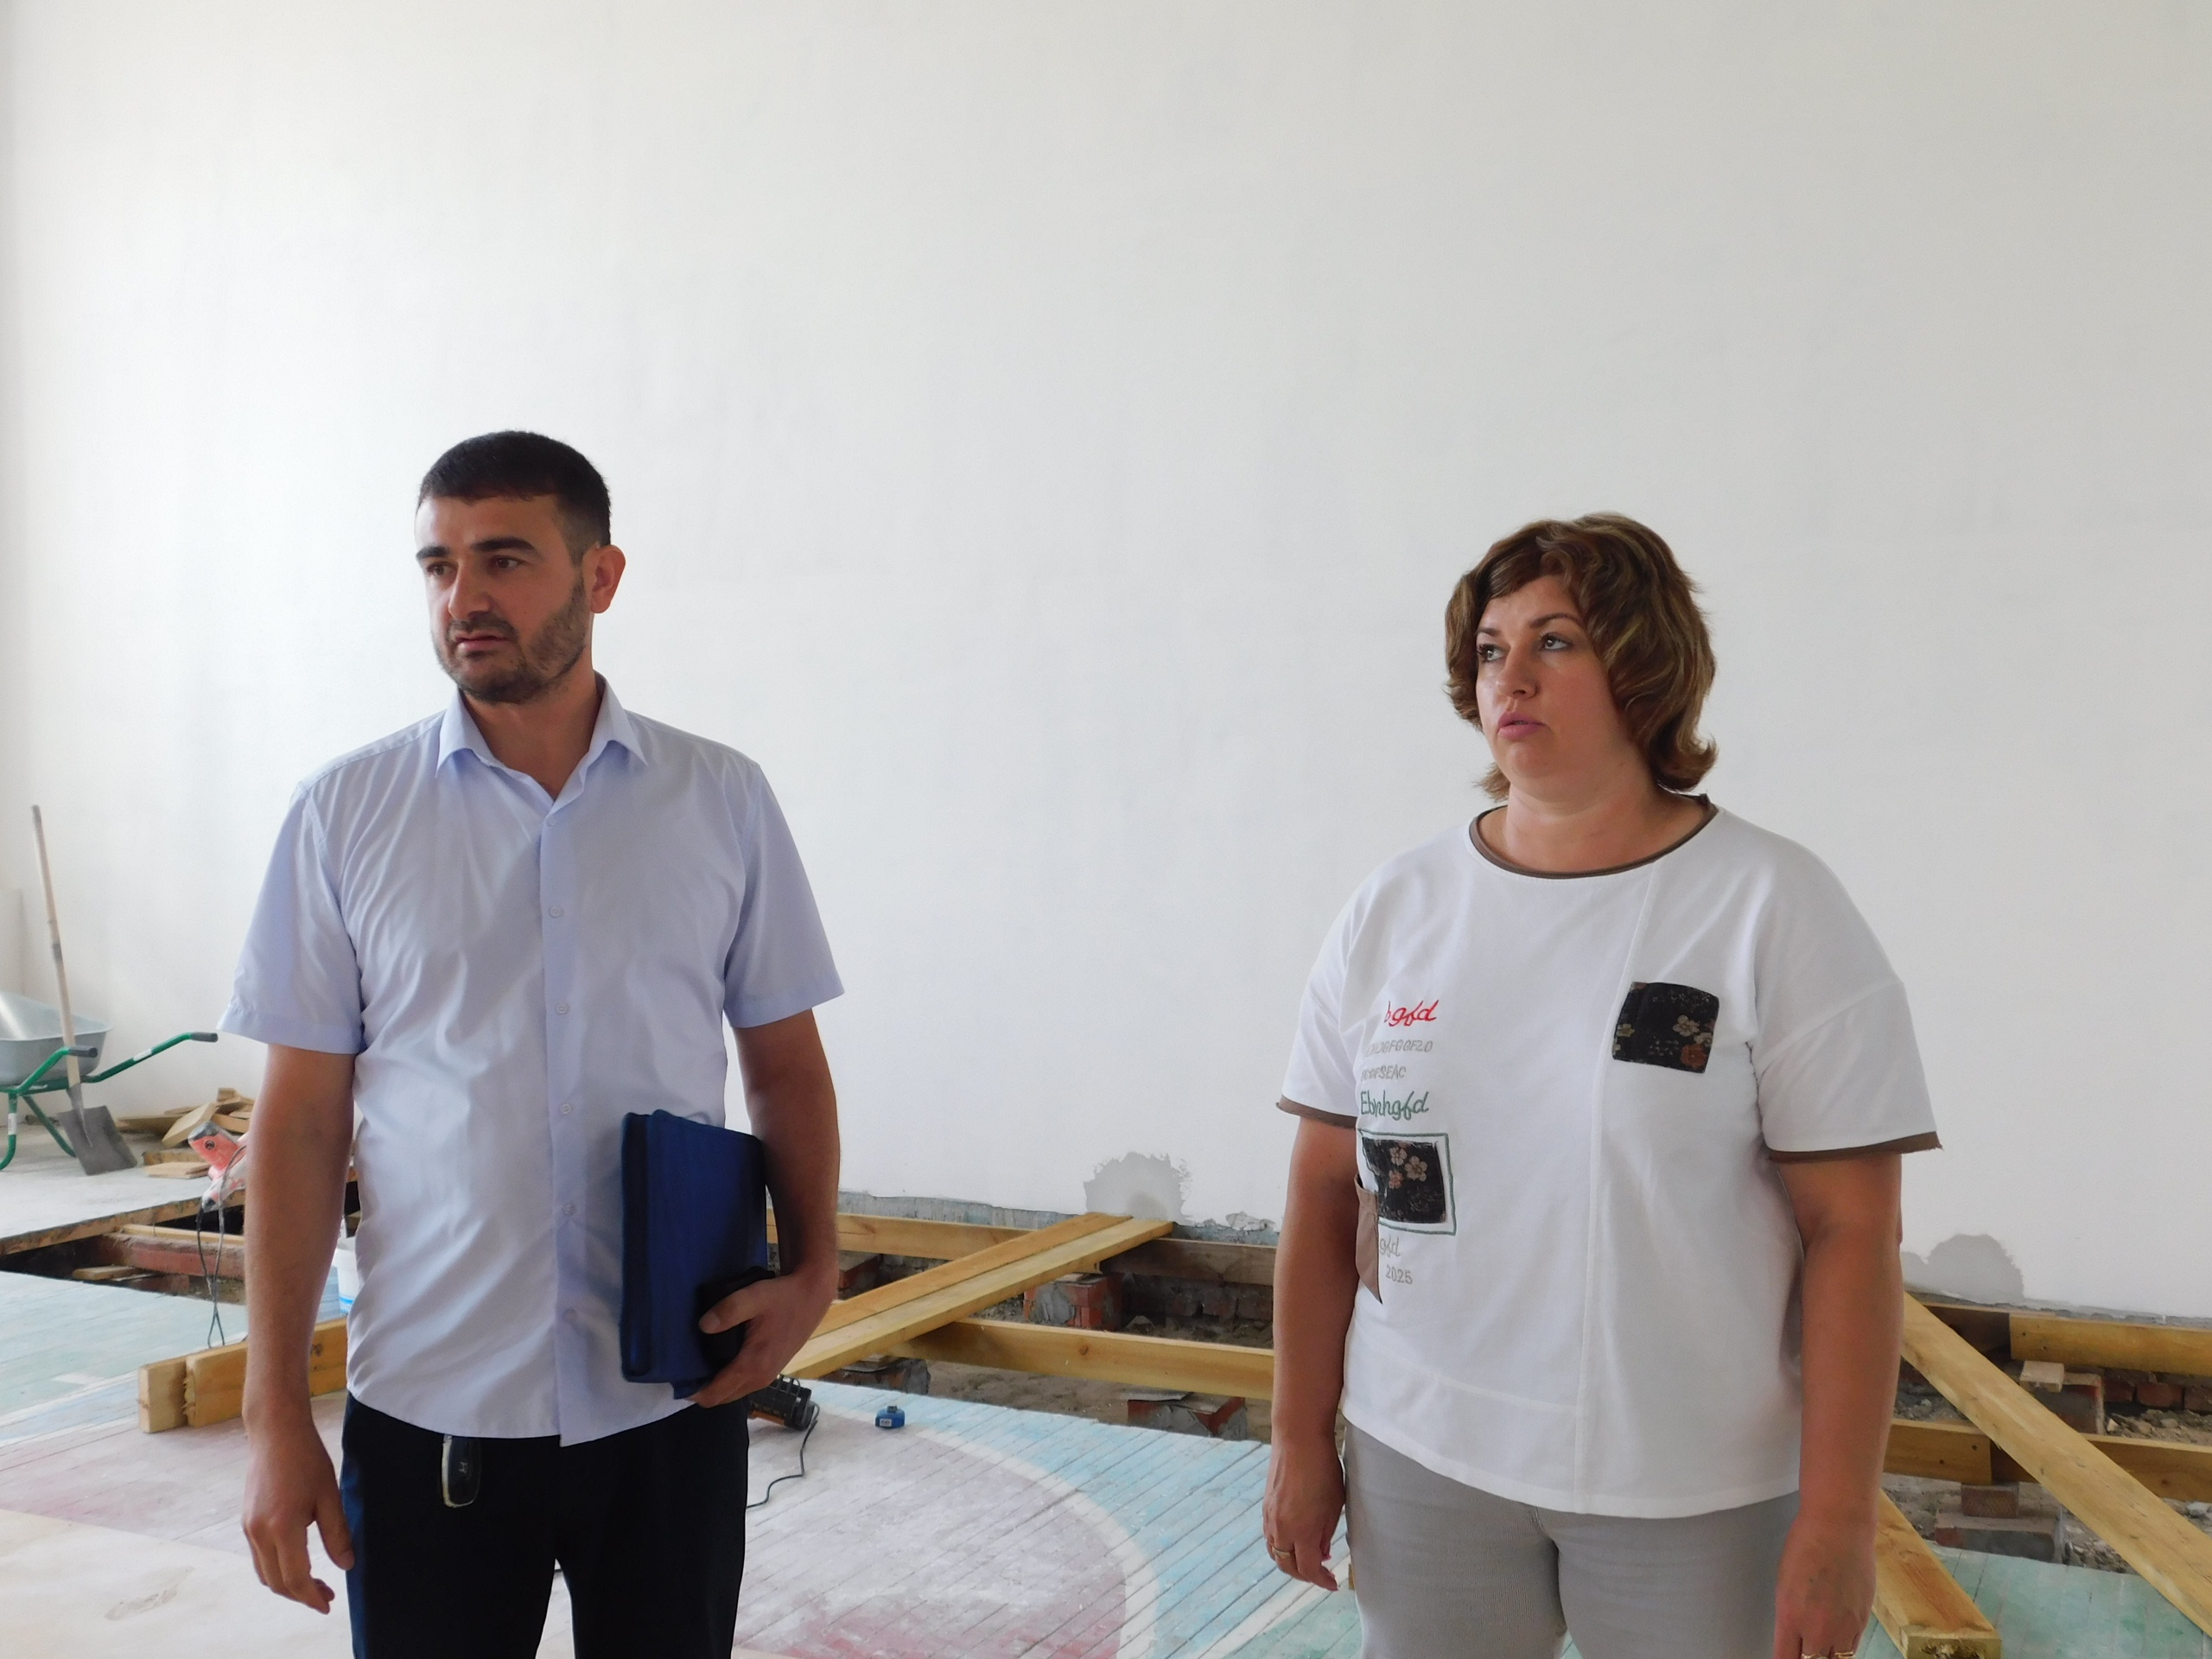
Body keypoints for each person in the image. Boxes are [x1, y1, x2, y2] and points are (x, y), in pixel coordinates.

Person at [1262, 514, 1937, 1659]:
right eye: (1490, 650)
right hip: (1423, 1456)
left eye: (1556, 641)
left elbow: (1853, 1233)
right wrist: (1295, 1438)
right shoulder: (1397, 909)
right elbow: (1324, 1193)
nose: (1510, 678)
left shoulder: (1770, 907)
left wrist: (1837, 1519)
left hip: (1689, 1488)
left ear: (1643, 666)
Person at [231, 431, 845, 1658]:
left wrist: (816, 1269)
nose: (464, 597)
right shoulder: (345, 815)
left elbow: (784, 1065)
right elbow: (298, 1128)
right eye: (439, 565)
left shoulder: (719, 799)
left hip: (667, 1401)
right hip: (434, 1407)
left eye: (503, 560)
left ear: (600, 577)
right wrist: (272, 1414)